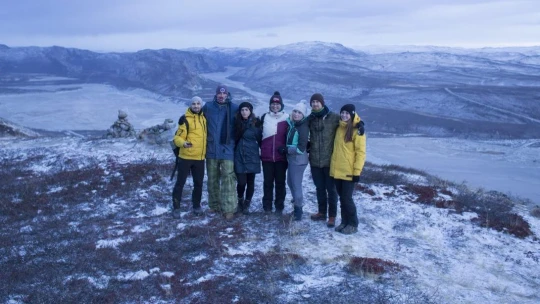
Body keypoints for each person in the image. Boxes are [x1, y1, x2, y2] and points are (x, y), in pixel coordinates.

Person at [202, 84, 239, 220]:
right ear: (216, 94)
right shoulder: (208, 107)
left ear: (227, 94)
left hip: (227, 150)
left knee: (228, 179)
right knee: (212, 179)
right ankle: (214, 205)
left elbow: (244, 123)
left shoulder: (234, 108)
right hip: (211, 149)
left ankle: (229, 208)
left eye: (224, 94)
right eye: (219, 94)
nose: (221, 96)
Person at [330, 104, 366, 234]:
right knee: (342, 198)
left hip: (349, 172)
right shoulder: (340, 127)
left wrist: (357, 172)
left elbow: (360, 153)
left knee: (347, 199)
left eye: (347, 113)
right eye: (342, 112)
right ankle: (344, 222)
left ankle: (353, 224)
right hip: (337, 170)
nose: (344, 115)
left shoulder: (358, 131)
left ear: (352, 114)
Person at [307, 93, 340, 228]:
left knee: (331, 190)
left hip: (330, 161)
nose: (315, 104)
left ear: (322, 103)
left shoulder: (333, 117)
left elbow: (348, 121)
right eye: (313, 102)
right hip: (315, 160)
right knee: (319, 188)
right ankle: (321, 212)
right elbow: (297, 124)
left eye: (317, 102)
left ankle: (332, 216)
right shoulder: (310, 119)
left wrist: (359, 123)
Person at [172, 96, 207, 218]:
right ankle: (176, 207)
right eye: (194, 104)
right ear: (190, 105)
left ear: (201, 105)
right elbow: (177, 138)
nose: (196, 106)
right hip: (186, 157)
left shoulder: (204, 118)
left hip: (200, 158)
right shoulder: (185, 119)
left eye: (198, 103)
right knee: (180, 183)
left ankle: (196, 206)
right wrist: (183, 143)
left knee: (199, 183)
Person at [279, 101, 310, 221]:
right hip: (293, 160)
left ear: (303, 115)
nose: (296, 114)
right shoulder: (294, 124)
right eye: (295, 111)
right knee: (290, 183)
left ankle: (298, 210)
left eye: (299, 112)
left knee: (296, 185)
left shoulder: (302, 127)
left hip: (298, 160)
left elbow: (301, 149)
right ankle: (297, 203)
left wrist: (286, 149)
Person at [260, 91, 289, 214]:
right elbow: (258, 134)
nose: (275, 106)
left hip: (281, 157)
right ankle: (267, 206)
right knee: (267, 182)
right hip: (267, 157)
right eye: (273, 104)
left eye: (277, 104)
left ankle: (279, 206)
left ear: (281, 105)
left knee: (280, 183)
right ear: (270, 105)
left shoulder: (287, 118)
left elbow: (291, 135)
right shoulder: (264, 117)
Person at [233, 101, 262, 215]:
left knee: (250, 182)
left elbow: (260, 141)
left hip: (252, 157)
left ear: (250, 111)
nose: (244, 112)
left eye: (246, 110)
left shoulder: (256, 124)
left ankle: (247, 204)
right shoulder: (235, 123)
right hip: (239, 157)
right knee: (241, 182)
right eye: (242, 110)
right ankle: (240, 200)